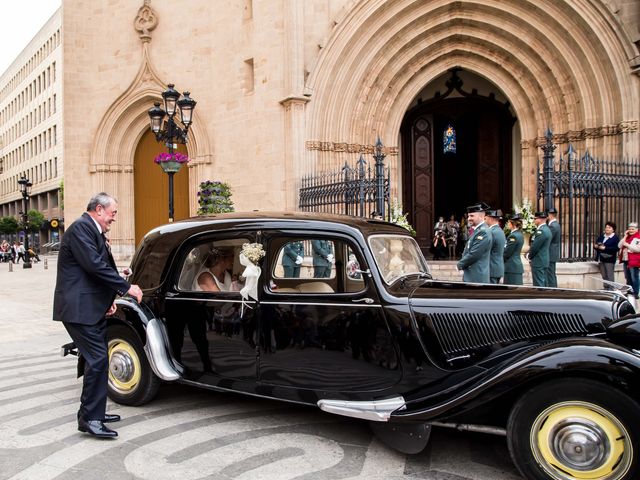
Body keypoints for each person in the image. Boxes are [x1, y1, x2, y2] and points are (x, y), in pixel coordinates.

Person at [53, 192, 143, 439]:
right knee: (98, 361)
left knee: (99, 360)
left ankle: (95, 413)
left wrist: (108, 300)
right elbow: (93, 265)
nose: (114, 219)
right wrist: (126, 287)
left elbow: (94, 270)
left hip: (90, 307)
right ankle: (90, 419)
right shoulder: (81, 228)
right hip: (78, 311)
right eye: (112, 213)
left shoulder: (91, 230)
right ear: (99, 209)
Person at [457, 202, 491, 283]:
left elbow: (474, 253)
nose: (469, 218)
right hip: (473, 276)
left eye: (472, 216)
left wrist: (460, 264)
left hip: (477, 277)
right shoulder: (478, 230)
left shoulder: (483, 232)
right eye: (468, 216)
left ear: (481, 216)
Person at [528, 211, 552, 287]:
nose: (534, 220)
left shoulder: (541, 231)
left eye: (535, 219)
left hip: (538, 261)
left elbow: (535, 246)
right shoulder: (547, 229)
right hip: (543, 260)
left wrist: (529, 256)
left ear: (540, 219)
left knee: (539, 284)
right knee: (544, 283)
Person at [594, 221, 619, 290]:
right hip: (601, 258)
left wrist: (605, 248)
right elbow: (596, 244)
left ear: (613, 229)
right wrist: (596, 246)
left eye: (609, 227)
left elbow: (616, 248)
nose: (607, 229)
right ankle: (606, 288)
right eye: (606, 227)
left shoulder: (615, 238)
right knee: (604, 275)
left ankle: (611, 289)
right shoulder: (602, 236)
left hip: (609, 259)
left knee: (609, 275)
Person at [618, 222, 640, 299]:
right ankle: (629, 291)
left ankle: (636, 292)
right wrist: (625, 236)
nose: (631, 230)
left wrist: (627, 245)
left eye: (633, 229)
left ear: (637, 229)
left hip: (634, 260)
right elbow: (619, 245)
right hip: (625, 260)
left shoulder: (638, 237)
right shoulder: (627, 237)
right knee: (628, 277)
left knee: (634, 277)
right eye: (629, 229)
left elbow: (638, 249)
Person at [503, 214, 524, 285]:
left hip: (511, 266)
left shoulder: (513, 236)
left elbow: (507, 252)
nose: (507, 224)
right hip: (515, 266)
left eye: (509, 222)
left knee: (511, 291)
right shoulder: (519, 234)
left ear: (513, 224)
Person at [486, 210, 505, 284]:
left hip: (492, 268)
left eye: (486, 218)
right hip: (497, 267)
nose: (485, 220)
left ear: (490, 219)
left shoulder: (491, 232)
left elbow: (486, 249)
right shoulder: (500, 230)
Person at [546, 207, 561, 287]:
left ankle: (553, 289)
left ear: (550, 215)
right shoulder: (555, 224)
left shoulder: (553, 226)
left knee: (550, 274)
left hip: (551, 253)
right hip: (552, 253)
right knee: (551, 273)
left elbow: (548, 238)